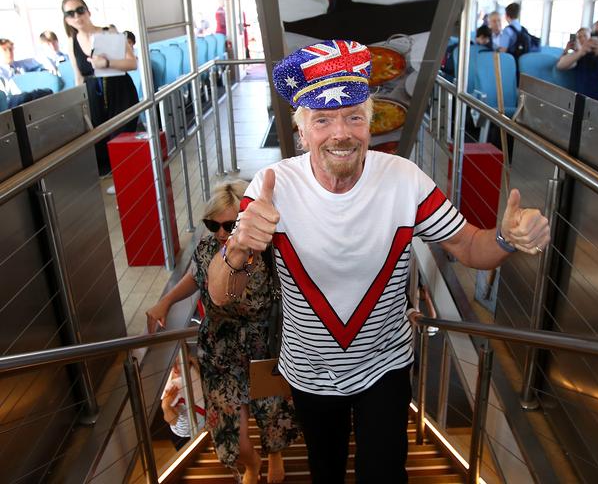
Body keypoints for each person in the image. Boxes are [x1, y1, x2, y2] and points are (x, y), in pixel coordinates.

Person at [207, 39, 551, 484]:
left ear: (371, 124)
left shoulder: (404, 180)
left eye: (354, 116)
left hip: (386, 367)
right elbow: (219, 293)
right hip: (309, 372)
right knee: (325, 473)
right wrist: (236, 249)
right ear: (301, 130)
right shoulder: (273, 185)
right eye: (323, 119)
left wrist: (507, 237)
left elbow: (469, 247)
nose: (341, 133)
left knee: (385, 475)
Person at [146, 181, 299, 484]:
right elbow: (196, 277)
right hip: (219, 348)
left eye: (229, 225)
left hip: (262, 344)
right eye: (211, 224)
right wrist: (165, 300)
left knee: (272, 412)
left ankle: (275, 455)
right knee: (229, 433)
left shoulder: (270, 250)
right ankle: (251, 462)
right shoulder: (207, 247)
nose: (219, 233)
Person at [61, 0, 139, 181]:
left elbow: (132, 63)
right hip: (93, 97)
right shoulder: (72, 43)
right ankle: (119, 185)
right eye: (70, 13)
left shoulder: (108, 32)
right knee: (101, 146)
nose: (77, 16)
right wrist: (79, 107)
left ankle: (128, 183)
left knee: (121, 142)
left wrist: (107, 62)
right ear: (66, 19)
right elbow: (79, 77)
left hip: (119, 91)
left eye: (80, 10)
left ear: (88, 11)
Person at [161, 354, 205, 450]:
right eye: (172, 364)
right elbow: (172, 421)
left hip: (203, 428)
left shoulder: (195, 366)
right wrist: (166, 406)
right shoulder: (172, 386)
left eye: (177, 363)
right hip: (184, 436)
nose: (174, 368)